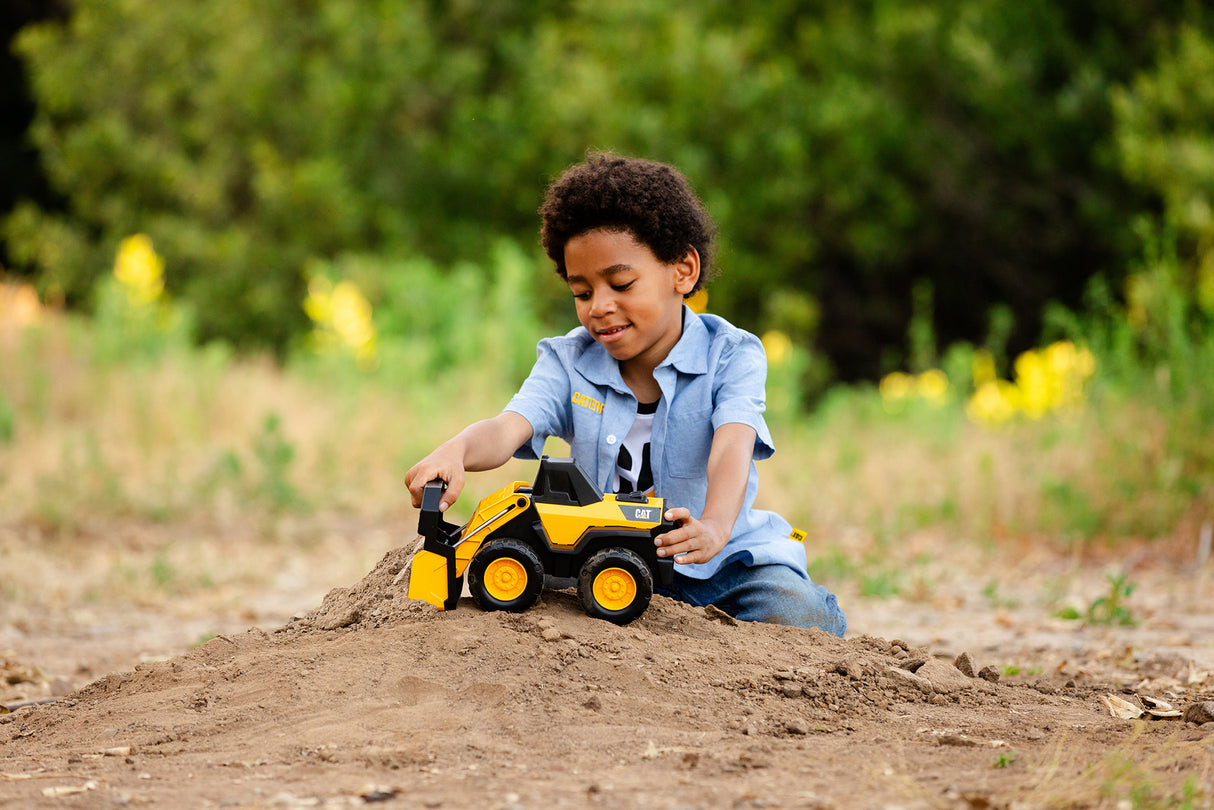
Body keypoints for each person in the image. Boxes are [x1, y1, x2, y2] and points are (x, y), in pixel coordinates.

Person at [405, 153, 846, 635]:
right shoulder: (567, 362)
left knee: (801, 615)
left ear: (683, 270)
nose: (601, 307)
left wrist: (715, 526)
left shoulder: (730, 355)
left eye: (621, 283)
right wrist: (457, 451)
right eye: (582, 292)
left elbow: (732, 446)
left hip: (720, 561)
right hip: (607, 563)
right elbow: (509, 427)